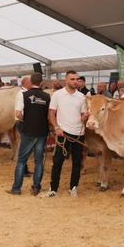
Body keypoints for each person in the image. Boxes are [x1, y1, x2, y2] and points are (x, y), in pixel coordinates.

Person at [45, 70, 88, 198]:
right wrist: (56, 127)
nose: (75, 81)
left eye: (77, 79)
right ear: (66, 80)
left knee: (77, 162)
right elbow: (51, 114)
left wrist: (85, 117)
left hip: (78, 133)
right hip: (62, 133)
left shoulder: (81, 97)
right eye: (72, 79)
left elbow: (82, 117)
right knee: (58, 161)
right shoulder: (57, 95)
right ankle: (53, 188)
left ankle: (73, 187)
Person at [8, 72, 50, 195]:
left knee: (21, 160)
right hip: (42, 132)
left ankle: (16, 188)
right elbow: (48, 115)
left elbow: (18, 114)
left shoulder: (23, 95)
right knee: (39, 161)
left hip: (28, 132)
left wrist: (25, 121)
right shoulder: (47, 96)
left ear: (31, 82)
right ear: (41, 82)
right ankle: (36, 188)